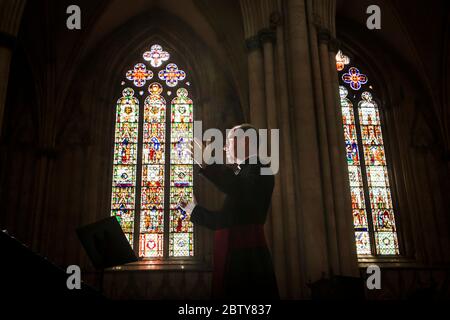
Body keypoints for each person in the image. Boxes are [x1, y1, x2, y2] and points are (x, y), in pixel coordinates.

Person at [181, 123, 279, 299]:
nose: (225, 146)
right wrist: (194, 211)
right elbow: (226, 221)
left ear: (246, 141)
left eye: (229, 140)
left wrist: (208, 164)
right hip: (238, 256)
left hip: (248, 261)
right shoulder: (244, 173)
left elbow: (240, 189)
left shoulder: (262, 169)